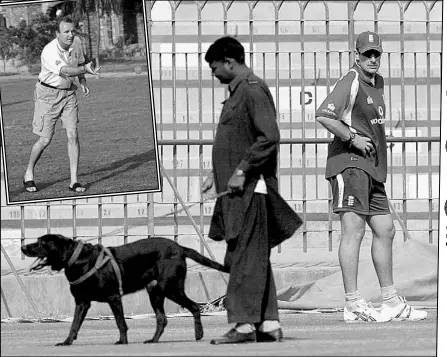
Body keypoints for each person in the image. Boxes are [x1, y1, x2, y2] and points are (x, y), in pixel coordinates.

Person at [316, 31, 427, 322]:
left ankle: (390, 301)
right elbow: (325, 115)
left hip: (372, 167)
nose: (373, 58)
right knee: (354, 231)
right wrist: (352, 138)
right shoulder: (350, 80)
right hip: (350, 164)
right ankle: (352, 302)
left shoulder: (378, 82)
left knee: (386, 229)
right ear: (357, 56)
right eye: (367, 54)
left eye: (377, 53)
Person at [202, 36, 302, 344]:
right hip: (235, 190)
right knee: (253, 255)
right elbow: (238, 138)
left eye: (214, 66)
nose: (213, 73)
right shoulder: (238, 91)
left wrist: (242, 169)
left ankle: (244, 324)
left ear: (229, 62)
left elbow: (269, 137)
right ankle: (268, 323)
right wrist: (214, 173)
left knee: (244, 256)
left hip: (250, 190)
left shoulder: (252, 89)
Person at [22, 16, 101, 194]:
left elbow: (80, 63)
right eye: (66, 31)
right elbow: (67, 70)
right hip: (47, 96)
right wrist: (85, 70)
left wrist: (83, 81)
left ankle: (74, 181)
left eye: (73, 31)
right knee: (45, 140)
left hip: (69, 94)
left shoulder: (77, 42)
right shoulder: (49, 52)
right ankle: (28, 173)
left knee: (73, 135)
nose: (70, 35)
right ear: (57, 34)